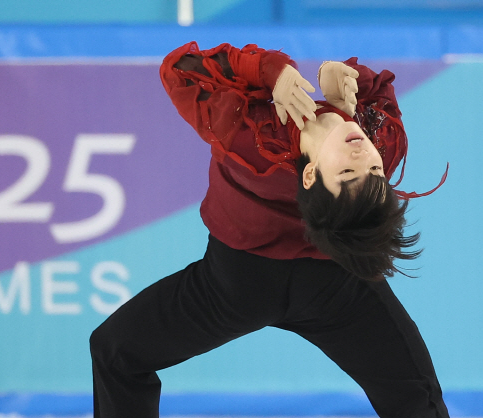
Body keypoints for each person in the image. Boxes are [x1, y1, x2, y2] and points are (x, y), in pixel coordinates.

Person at [89, 41, 449, 418]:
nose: (364, 160)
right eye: (372, 172)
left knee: (116, 351)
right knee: (416, 397)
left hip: (313, 282)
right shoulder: (379, 142)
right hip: (264, 281)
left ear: (309, 175)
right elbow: (377, 94)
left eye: (347, 174)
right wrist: (349, 79)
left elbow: (178, 69)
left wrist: (265, 69)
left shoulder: (244, 133)